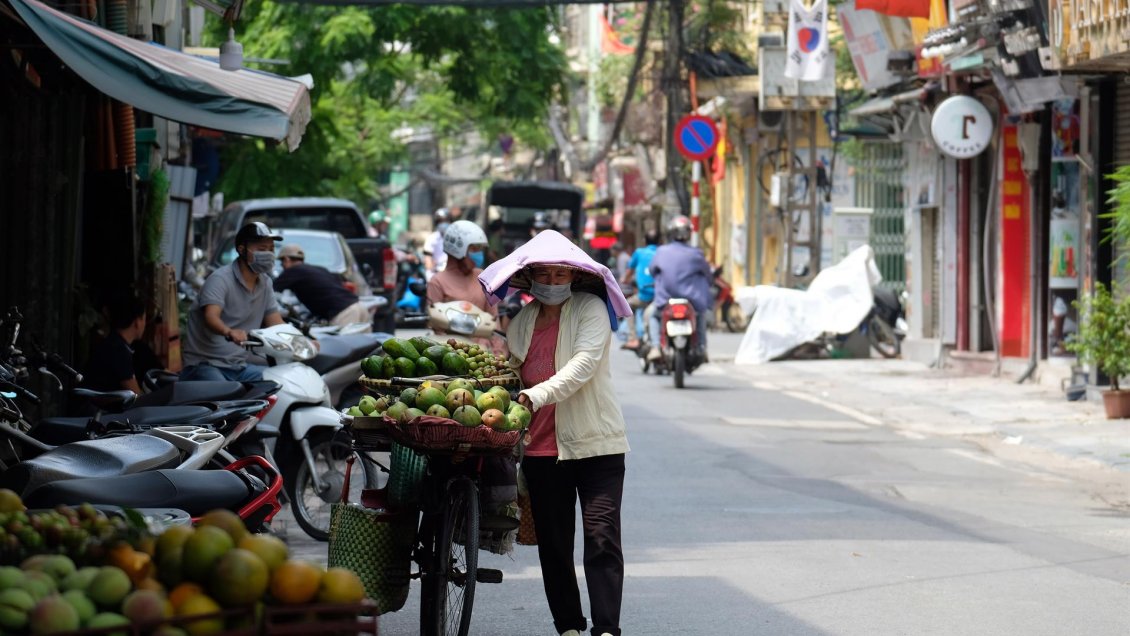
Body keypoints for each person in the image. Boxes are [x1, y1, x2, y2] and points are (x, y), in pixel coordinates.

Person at [507, 261, 629, 636]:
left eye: (560, 275)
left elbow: (584, 364)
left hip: (596, 444)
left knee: (602, 538)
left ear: (574, 277)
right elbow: (511, 374)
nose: (552, 282)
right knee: (555, 546)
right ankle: (569, 627)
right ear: (531, 278)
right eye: (544, 275)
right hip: (542, 452)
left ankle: (606, 628)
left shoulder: (591, 309)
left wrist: (536, 394)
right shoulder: (520, 322)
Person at [180, 222, 286, 381]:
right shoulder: (220, 279)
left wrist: (301, 340)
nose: (269, 254)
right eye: (262, 249)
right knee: (224, 391)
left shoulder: (265, 283)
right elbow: (211, 316)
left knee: (281, 382)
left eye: (271, 249)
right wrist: (229, 332)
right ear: (242, 249)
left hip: (238, 366)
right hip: (205, 364)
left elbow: (276, 323)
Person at [426, 220, 506, 350]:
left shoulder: (483, 278)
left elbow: (494, 321)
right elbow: (436, 325)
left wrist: (499, 352)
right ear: (457, 249)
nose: (479, 254)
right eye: (474, 249)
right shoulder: (437, 282)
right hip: (450, 351)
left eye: (480, 249)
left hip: (482, 353)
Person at [646, 215, 713, 361]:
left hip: (665, 299)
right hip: (692, 300)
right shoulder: (696, 253)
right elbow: (707, 273)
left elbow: (652, 271)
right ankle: (702, 347)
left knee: (653, 316)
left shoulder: (661, 251)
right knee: (700, 315)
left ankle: (655, 347)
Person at [274, 244, 371, 331]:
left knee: (344, 345)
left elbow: (271, 291)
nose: (282, 266)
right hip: (359, 307)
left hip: (344, 313)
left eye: (282, 263)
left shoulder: (292, 271)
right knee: (365, 344)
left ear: (286, 259)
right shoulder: (320, 269)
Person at [82, 293, 147, 394]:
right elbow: (136, 396)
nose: (145, 324)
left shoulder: (115, 343)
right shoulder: (118, 350)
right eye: (144, 319)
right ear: (137, 322)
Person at [621, 229, 660, 350]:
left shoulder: (639, 252)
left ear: (644, 241)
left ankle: (633, 339)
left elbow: (629, 272)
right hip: (660, 295)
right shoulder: (662, 253)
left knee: (627, 305)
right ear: (660, 241)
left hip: (644, 295)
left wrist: (624, 279)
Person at [422, 208, 451, 281]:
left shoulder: (455, 237)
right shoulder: (432, 238)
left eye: (446, 220)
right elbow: (428, 262)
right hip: (435, 273)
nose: (443, 223)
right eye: (441, 221)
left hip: (451, 273)